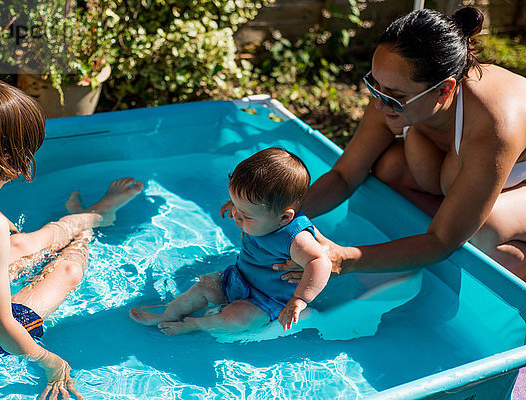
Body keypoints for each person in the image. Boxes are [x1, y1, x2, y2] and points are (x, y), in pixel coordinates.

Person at [0, 75, 143, 399]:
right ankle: (92, 221)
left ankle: (87, 218)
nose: (20, 168)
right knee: (68, 272)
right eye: (18, 157)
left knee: (20, 244)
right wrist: (49, 362)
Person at [276, 6, 526, 282]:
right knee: (389, 168)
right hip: (454, 170)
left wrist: (343, 259)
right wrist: (278, 215)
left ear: (444, 89)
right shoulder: (393, 88)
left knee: (484, 232)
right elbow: (345, 175)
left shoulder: (494, 123)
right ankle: (415, 262)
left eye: (394, 97)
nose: (378, 102)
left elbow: (443, 240)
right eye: (373, 84)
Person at [129, 148, 332, 334]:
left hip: (267, 301)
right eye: (235, 204)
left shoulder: (295, 238)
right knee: (205, 285)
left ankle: (195, 324)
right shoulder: (266, 215)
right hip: (239, 278)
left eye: (246, 214)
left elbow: (321, 262)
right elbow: (249, 208)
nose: (236, 216)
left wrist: (300, 299)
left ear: (284, 218)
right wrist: (239, 206)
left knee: (236, 319)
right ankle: (171, 311)